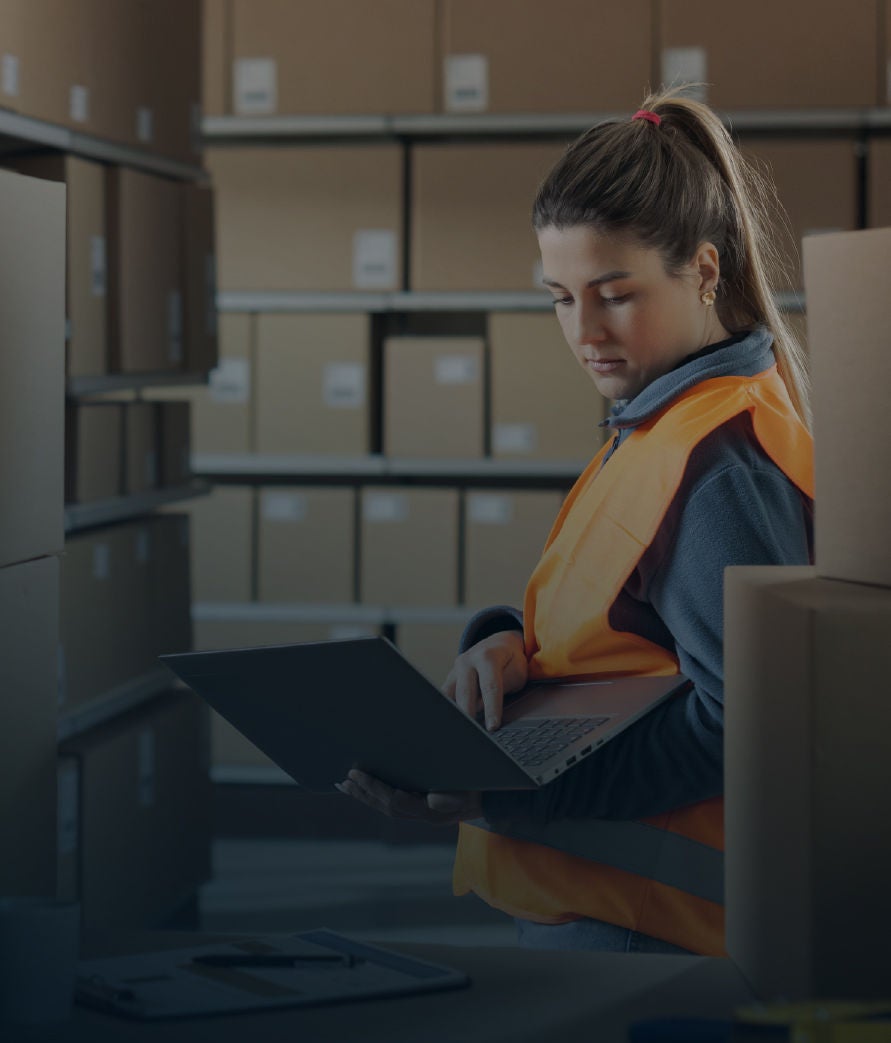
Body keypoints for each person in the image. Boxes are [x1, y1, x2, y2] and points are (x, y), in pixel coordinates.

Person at [336, 87, 814, 957]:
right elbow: (626, 633)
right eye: (558, 297)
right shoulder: (656, 423)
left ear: (704, 271)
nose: (583, 330)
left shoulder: (719, 462)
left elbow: (742, 727)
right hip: (601, 906)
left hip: (651, 927)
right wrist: (506, 645)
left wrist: (509, 791)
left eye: (612, 294)